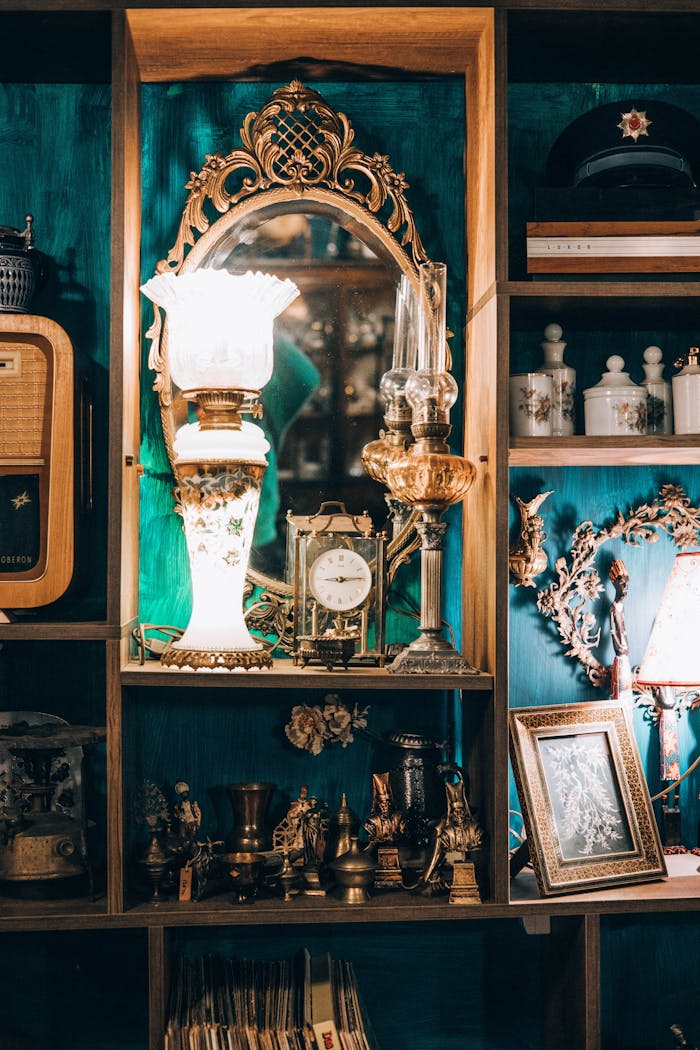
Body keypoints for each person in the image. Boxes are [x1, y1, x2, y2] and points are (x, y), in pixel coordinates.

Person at [422, 773, 482, 891]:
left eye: (461, 811)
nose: (459, 815)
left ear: (466, 811)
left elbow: (479, 841)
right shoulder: (446, 834)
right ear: (451, 814)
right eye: (455, 812)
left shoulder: (476, 831)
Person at [609, 560, 633, 702]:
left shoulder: (620, 607)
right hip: (621, 658)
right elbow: (614, 630)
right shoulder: (614, 608)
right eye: (622, 583)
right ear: (615, 584)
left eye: (627, 583)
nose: (626, 587)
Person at [363, 772, 406, 846]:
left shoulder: (398, 818)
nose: (386, 806)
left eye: (388, 802)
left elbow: (402, 833)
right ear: (379, 803)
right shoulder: (372, 821)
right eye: (383, 803)